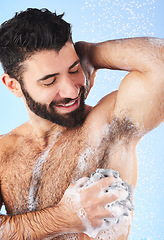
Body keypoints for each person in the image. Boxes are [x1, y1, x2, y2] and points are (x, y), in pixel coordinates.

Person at [0, 8, 163, 240]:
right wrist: (64, 217)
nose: (72, 89)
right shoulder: (3, 151)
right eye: (50, 80)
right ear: (13, 86)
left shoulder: (109, 125)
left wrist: (91, 52)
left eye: (74, 69)